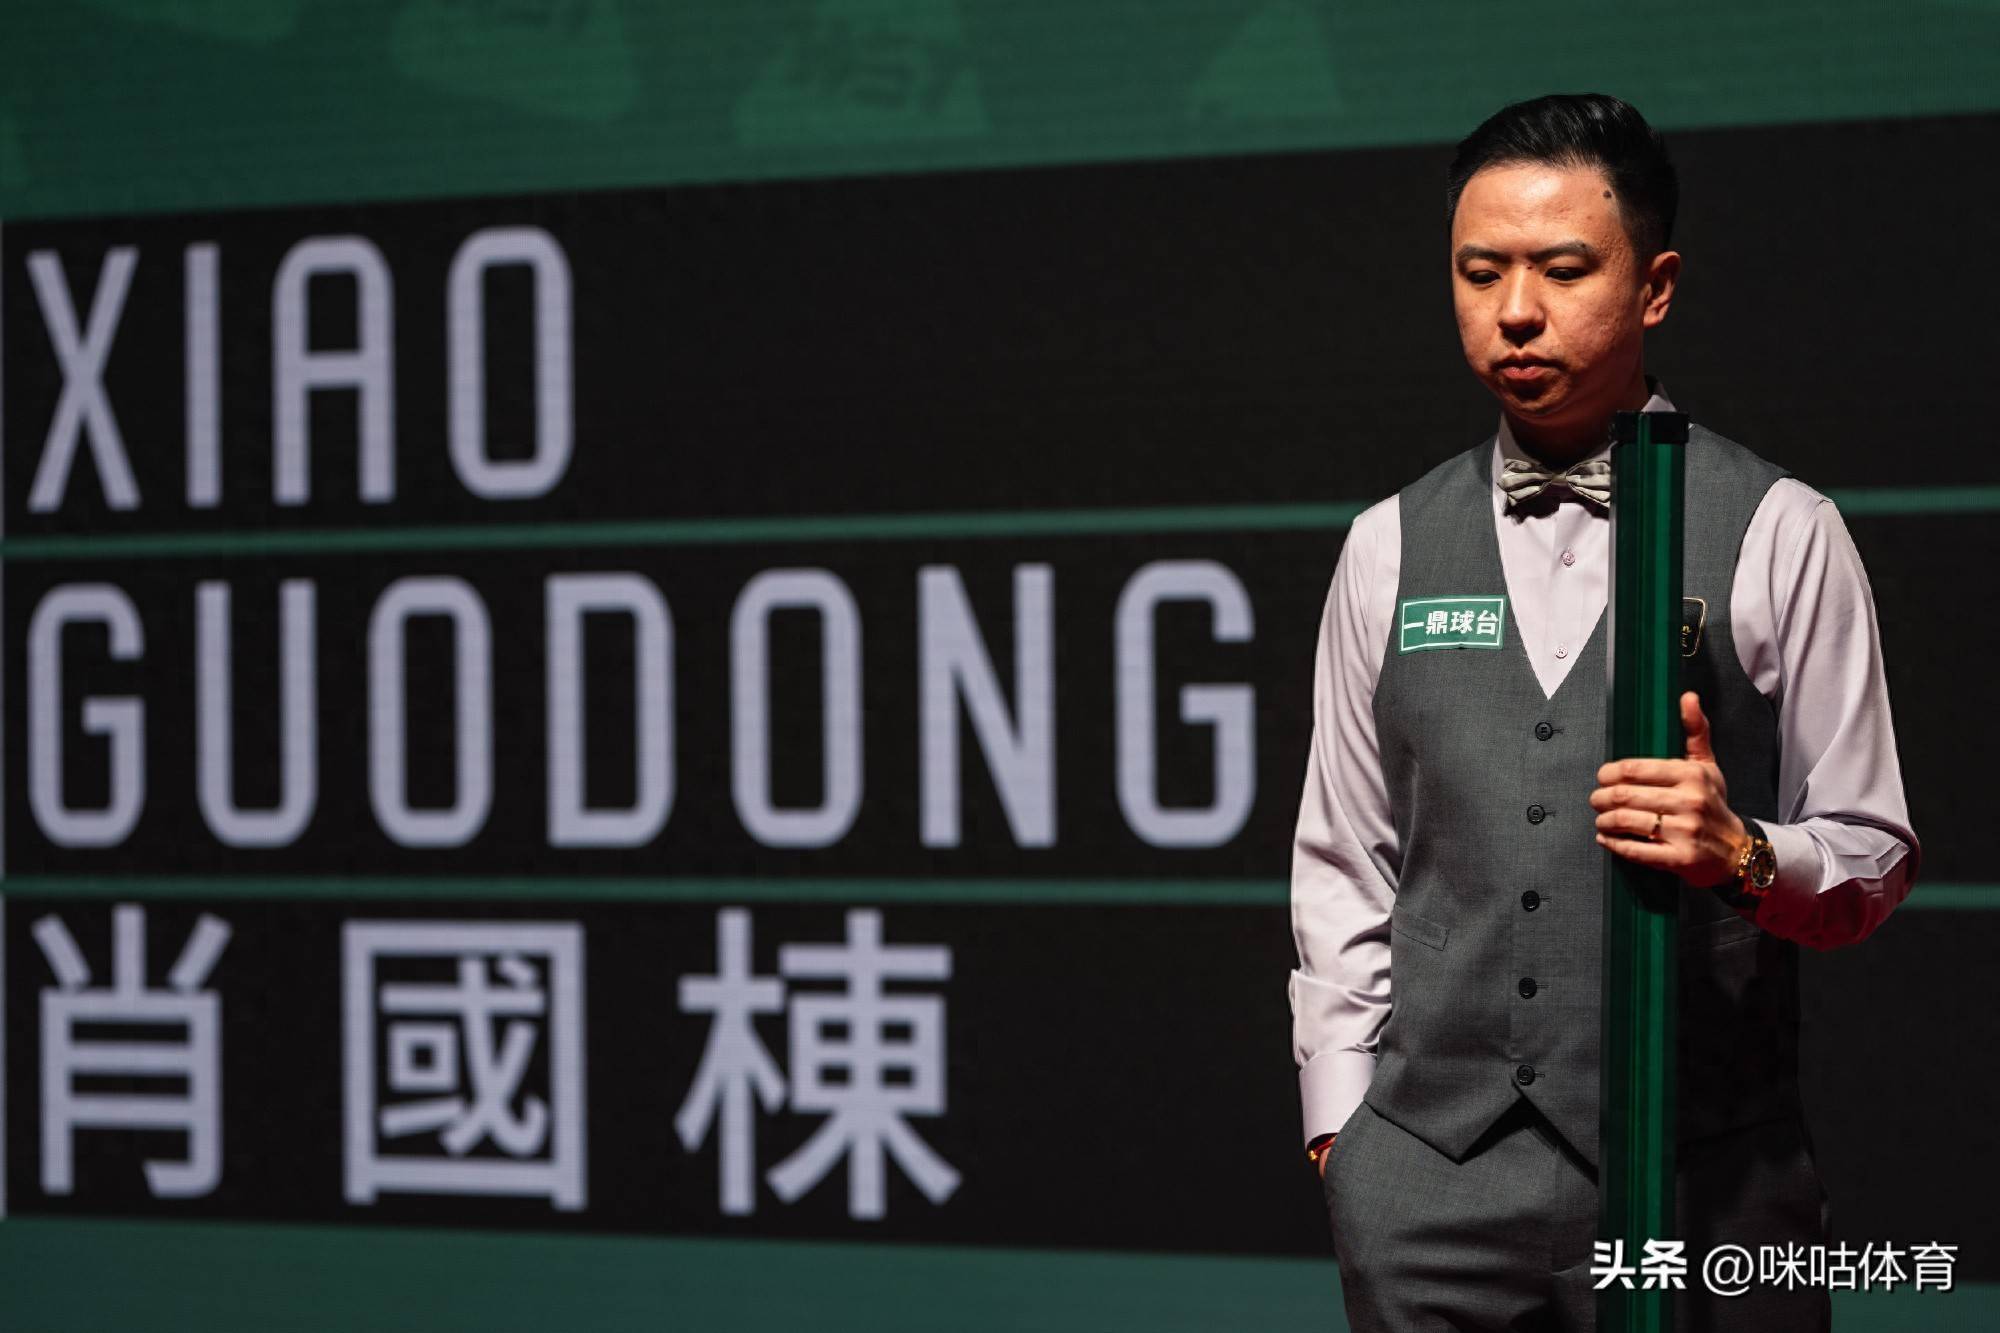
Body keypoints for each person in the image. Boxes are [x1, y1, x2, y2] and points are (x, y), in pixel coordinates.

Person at [1287, 93, 1918, 1332]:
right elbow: (1343, 856)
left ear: (1654, 287)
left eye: (1562, 269)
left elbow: (1871, 850)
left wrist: (1741, 853)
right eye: (1479, 272)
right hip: (1425, 1190)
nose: (1514, 310)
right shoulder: (1385, 544)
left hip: (1703, 1188)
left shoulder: (1782, 529)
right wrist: (1340, 1135)